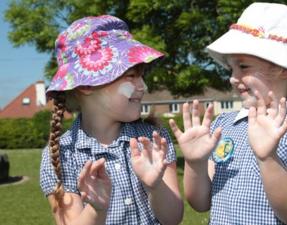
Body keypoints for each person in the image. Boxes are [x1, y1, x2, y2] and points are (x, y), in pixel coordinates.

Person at [169, 3, 287, 225]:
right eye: (231, 68)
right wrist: (195, 163)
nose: (232, 77)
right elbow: (201, 203)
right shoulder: (224, 124)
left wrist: (268, 158)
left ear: (283, 67)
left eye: (243, 67)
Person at [40, 15, 183, 225]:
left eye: (141, 75)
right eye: (131, 76)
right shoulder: (61, 156)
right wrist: (97, 209)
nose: (143, 86)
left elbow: (173, 219)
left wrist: (155, 186)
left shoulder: (153, 140)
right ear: (86, 85)